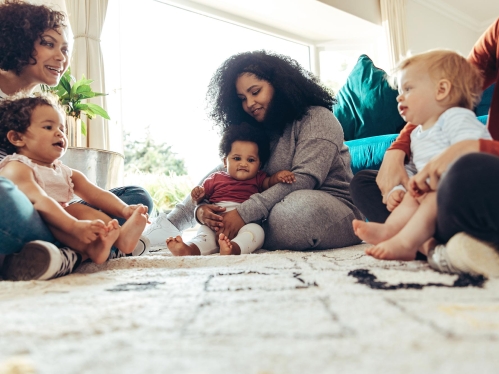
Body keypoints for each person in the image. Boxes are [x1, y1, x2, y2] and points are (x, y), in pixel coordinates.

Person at [145, 50, 364, 251]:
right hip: (269, 208)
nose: (249, 103)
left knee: (294, 214)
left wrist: (242, 213)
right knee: (227, 167)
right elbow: (228, 177)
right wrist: (202, 210)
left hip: (331, 206)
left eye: (255, 92)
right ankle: (171, 224)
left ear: (279, 85)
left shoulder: (317, 118)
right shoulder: (259, 130)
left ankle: (232, 233)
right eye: (242, 99)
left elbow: (304, 179)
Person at [0, 0, 153, 281]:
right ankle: (86, 249)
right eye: (49, 43)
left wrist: (115, 210)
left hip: (52, 209)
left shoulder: (45, 107)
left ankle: (64, 252)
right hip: (19, 205)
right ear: (19, 41)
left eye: (65, 48)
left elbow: (63, 181)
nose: (61, 57)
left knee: (137, 197)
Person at [349, 18, 499, 277]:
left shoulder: (457, 118)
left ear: (442, 90)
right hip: (439, 199)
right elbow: (460, 78)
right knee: (364, 182)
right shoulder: (422, 131)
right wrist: (398, 168)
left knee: (462, 173)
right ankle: (438, 245)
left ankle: (414, 242)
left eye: (407, 88)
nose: (399, 96)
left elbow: (468, 145)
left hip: (469, 180)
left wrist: (466, 149)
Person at [0, 94, 149, 265]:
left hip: (64, 226)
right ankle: (88, 250)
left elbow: (96, 194)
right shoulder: (17, 166)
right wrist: (73, 226)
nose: (59, 133)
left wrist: (125, 210)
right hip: (33, 225)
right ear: (17, 138)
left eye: (62, 129)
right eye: (48, 127)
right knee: (60, 212)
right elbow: (40, 201)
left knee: (76, 208)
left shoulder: (65, 172)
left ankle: (116, 240)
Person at [167, 123, 295, 256]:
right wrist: (197, 196)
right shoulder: (215, 178)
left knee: (256, 231)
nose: (243, 163)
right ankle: (189, 249)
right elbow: (201, 199)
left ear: (259, 165)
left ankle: (233, 248)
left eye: (250, 160)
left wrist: (278, 177)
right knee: (204, 236)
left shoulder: (259, 178)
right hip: (215, 223)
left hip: (245, 223)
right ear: (225, 162)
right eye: (237, 158)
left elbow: (269, 183)